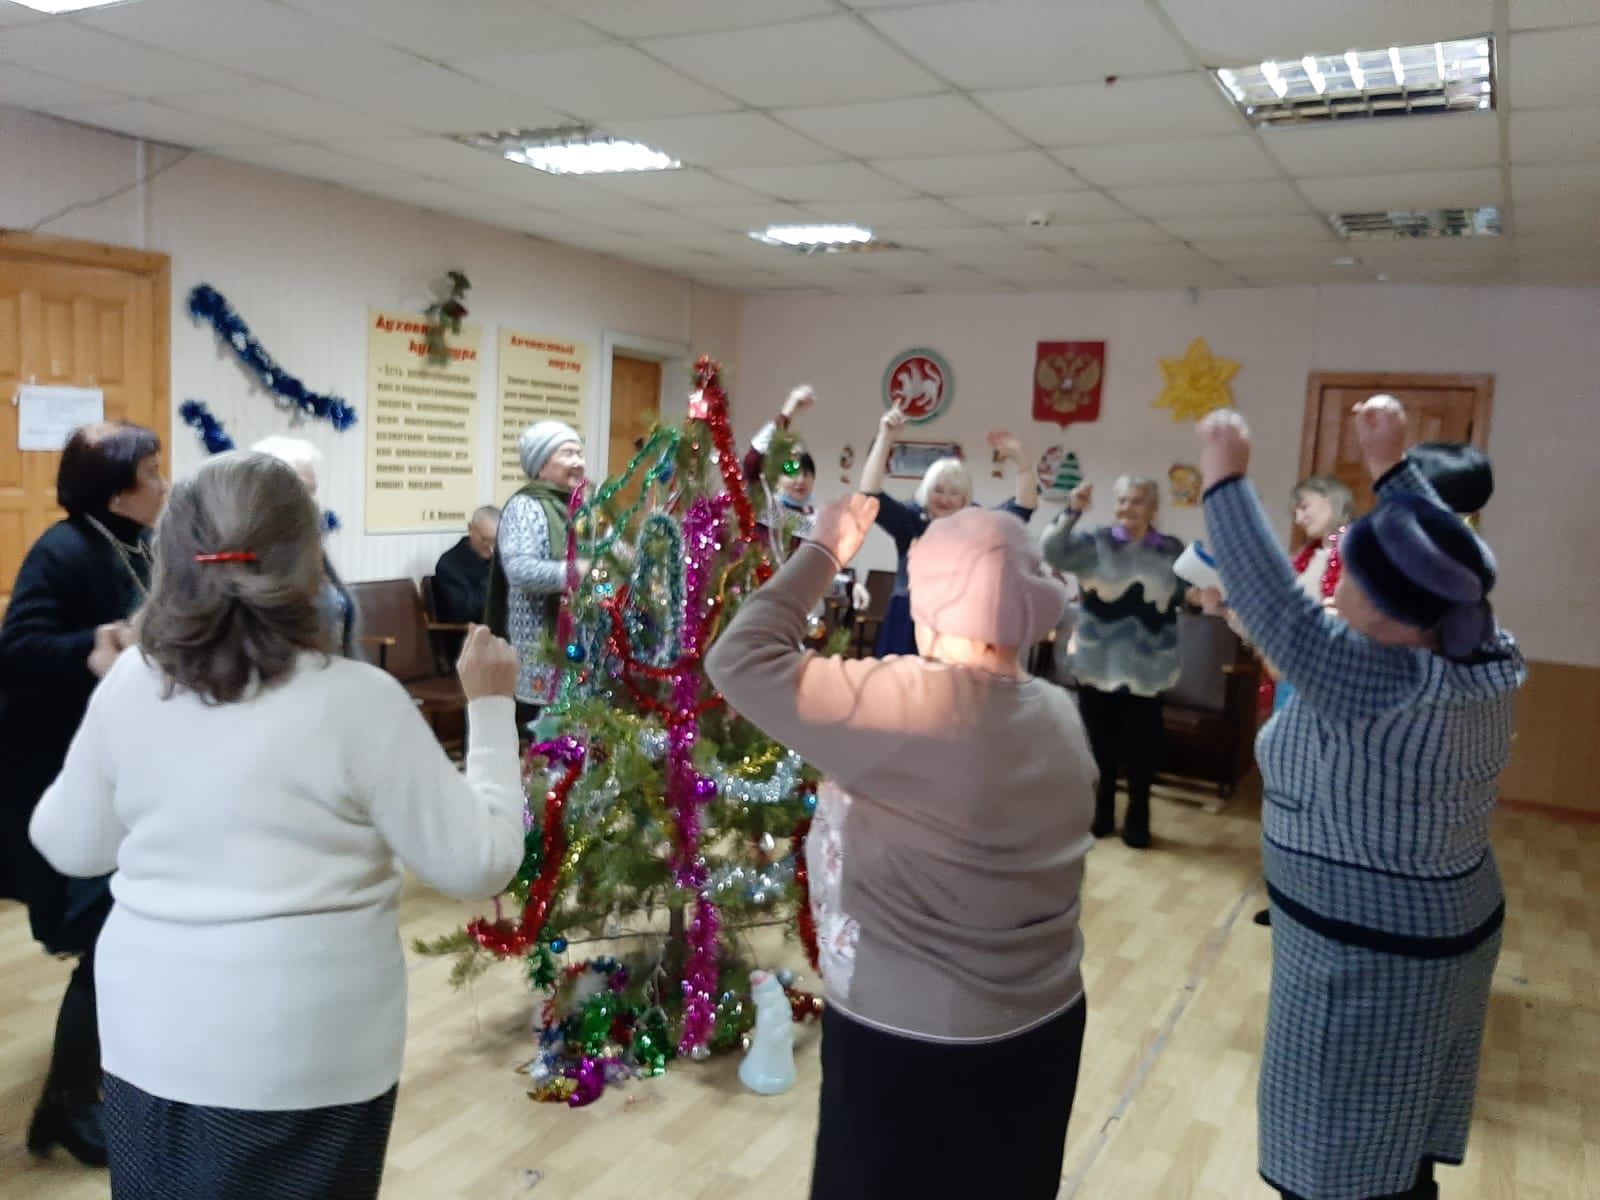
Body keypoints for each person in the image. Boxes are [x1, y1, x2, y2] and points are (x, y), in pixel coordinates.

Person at [27, 451, 525, 1199]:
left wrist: (113, 724)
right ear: (308, 561)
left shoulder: (135, 682)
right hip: (309, 1054)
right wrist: (490, 708)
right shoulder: (360, 700)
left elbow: (69, 842)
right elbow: (479, 864)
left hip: (148, 1041)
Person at [707, 497, 1092, 1200]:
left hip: (914, 1040)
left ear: (937, 601)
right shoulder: (1058, 715)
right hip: (1045, 1026)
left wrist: (822, 551)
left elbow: (739, 656)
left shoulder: (906, 703)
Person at [1197, 397, 1524, 1200]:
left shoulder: (1377, 680)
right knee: (1399, 1141)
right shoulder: (1478, 644)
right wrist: (1389, 464)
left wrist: (1224, 479)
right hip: (1441, 934)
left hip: (1370, 959)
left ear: (1384, 610)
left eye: (1353, 572)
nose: (1336, 581)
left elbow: (1276, 605)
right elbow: (1432, 549)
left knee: (1341, 1163)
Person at [0, 421, 165, 1167]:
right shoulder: (63, 549)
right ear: (120, 489)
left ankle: (86, 1088)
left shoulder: (141, 545)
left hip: (120, 765)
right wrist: (95, 647)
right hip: (60, 768)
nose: (165, 486)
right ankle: (70, 1103)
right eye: (154, 475)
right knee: (104, 929)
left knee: (117, 928)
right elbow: (19, 652)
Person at [1041, 475, 1184, 848]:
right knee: (1098, 748)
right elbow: (1051, 551)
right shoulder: (1094, 544)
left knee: (1142, 751)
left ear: (1153, 509)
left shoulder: (1170, 550)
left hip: (1149, 668)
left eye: (1136, 501)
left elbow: (1188, 593)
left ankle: (1138, 821)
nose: (1126, 509)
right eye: (1121, 501)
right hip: (1097, 663)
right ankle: (1099, 816)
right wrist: (1072, 511)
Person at [859, 406, 1037, 657]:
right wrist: (885, 438)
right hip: (907, 620)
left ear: (966, 499)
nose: (945, 499)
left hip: (957, 625)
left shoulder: (976, 523)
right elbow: (870, 495)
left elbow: (1023, 508)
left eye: (955, 493)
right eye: (939, 490)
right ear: (927, 490)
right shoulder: (911, 520)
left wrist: (1022, 462)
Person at [487, 421, 585, 729]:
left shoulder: (581, 506)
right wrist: (577, 572)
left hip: (581, 649)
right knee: (541, 746)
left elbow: (610, 553)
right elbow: (520, 571)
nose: (578, 463)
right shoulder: (525, 507)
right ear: (542, 465)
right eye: (568, 454)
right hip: (538, 651)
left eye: (580, 453)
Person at [251, 435, 356, 656]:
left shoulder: (308, 547)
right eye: (303, 490)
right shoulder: (252, 559)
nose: (314, 503)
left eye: (313, 491)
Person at [744, 384, 820, 551]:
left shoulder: (815, 519)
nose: (800, 480)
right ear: (777, 478)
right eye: (792, 471)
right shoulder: (766, 506)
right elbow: (753, 460)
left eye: (807, 473)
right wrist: (788, 411)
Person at [433, 506, 501, 624]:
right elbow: (465, 613)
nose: (491, 548)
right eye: (485, 540)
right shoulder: (449, 564)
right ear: (470, 529)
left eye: (496, 540)